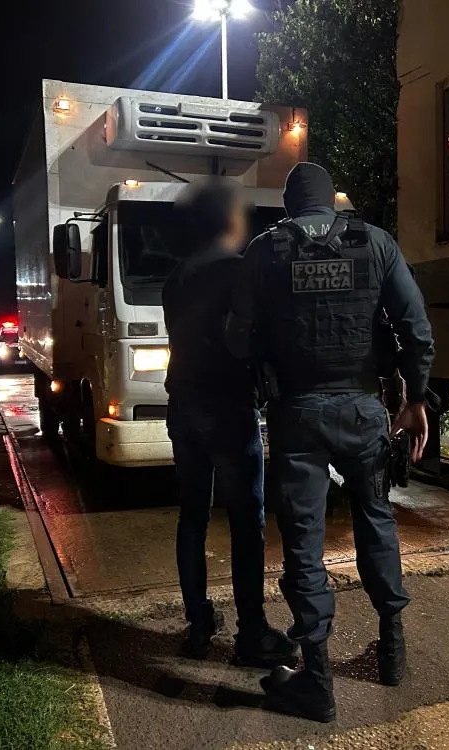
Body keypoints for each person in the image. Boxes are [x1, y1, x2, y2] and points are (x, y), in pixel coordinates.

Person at [227, 163, 434, 722]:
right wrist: (415, 399)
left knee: (304, 542)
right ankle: (392, 652)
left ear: (290, 205)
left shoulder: (266, 251)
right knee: (376, 520)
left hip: (297, 414)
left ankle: (316, 683)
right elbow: (415, 327)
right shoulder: (375, 242)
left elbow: (236, 336)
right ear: (332, 201)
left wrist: (265, 354)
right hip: (364, 411)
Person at [162, 178, 299, 670]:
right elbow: (254, 338)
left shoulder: (176, 278)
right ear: (230, 221)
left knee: (192, 517)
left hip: (183, 407)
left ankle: (199, 623)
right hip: (228, 407)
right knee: (246, 521)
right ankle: (252, 633)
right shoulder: (241, 271)